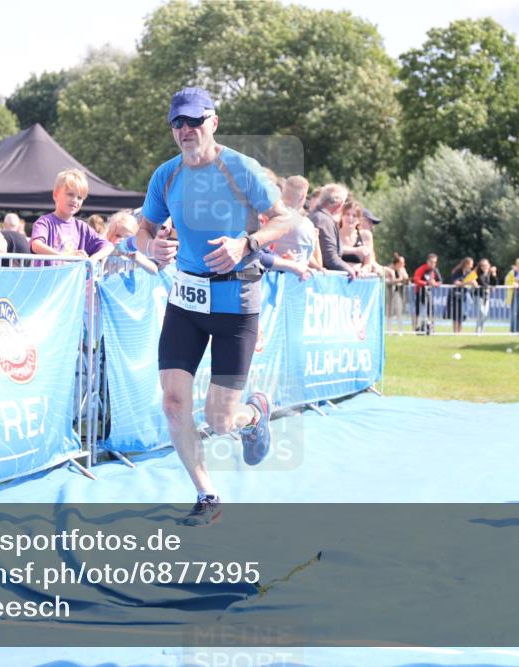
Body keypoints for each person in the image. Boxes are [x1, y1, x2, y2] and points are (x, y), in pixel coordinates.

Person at [133, 87, 293, 526]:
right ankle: (207, 494)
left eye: (194, 121)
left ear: (213, 122)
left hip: (236, 302)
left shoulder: (241, 169)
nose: (185, 130)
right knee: (172, 402)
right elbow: (142, 229)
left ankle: (252, 415)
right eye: (177, 123)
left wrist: (248, 242)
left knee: (220, 419)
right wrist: (152, 247)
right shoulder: (166, 175)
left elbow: (285, 218)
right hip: (185, 299)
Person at [30, 169, 113, 265]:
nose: (75, 200)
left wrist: (92, 259)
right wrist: (67, 257)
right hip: (49, 279)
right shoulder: (45, 222)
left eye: (79, 197)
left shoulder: (82, 227)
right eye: (70, 194)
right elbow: (36, 245)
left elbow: (108, 246)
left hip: (72, 280)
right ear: (55, 195)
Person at [309, 184, 358, 278]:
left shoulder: (315, 216)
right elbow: (330, 258)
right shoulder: (324, 220)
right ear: (340, 205)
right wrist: (349, 269)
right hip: (322, 281)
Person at [103, 210, 158, 275]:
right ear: (110, 235)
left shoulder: (133, 253)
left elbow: (154, 271)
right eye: (118, 235)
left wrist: (137, 258)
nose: (122, 240)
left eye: (127, 238)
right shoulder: (105, 249)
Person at [338, 200, 378, 275]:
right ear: (341, 216)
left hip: (358, 280)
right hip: (338, 279)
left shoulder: (366, 236)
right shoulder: (334, 234)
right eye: (347, 214)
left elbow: (368, 263)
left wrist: (363, 270)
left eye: (354, 216)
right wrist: (356, 250)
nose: (350, 218)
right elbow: (331, 251)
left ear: (359, 220)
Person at [412, 253, 442, 334]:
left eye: (435, 262)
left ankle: (431, 327)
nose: (433, 264)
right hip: (419, 292)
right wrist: (426, 283)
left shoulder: (435, 270)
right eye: (432, 262)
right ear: (427, 262)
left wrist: (435, 283)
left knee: (430, 310)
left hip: (428, 293)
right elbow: (416, 279)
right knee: (417, 310)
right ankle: (415, 328)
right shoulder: (422, 269)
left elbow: (440, 281)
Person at [447, 257, 474, 334]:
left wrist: (474, 283)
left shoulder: (470, 273)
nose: (472, 266)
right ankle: (455, 332)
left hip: (464, 295)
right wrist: (467, 283)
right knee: (456, 315)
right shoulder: (457, 271)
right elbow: (456, 283)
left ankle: (460, 332)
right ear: (466, 264)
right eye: (471, 264)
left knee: (462, 315)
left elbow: (475, 282)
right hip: (455, 295)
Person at [386, 253, 409, 335]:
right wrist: (398, 280)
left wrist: (404, 279)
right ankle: (389, 331)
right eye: (402, 263)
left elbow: (406, 277)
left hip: (398, 292)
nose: (403, 265)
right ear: (397, 263)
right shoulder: (389, 268)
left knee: (399, 311)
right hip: (390, 292)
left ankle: (400, 330)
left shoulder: (402, 269)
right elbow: (387, 280)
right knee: (389, 311)